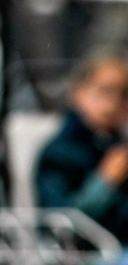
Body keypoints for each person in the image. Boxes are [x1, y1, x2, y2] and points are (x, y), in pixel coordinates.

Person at [36, 48, 128, 245]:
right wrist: (105, 182)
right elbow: (61, 225)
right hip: (83, 263)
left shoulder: (119, 147)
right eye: (106, 91)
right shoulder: (58, 153)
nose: (114, 103)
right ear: (78, 92)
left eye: (124, 94)